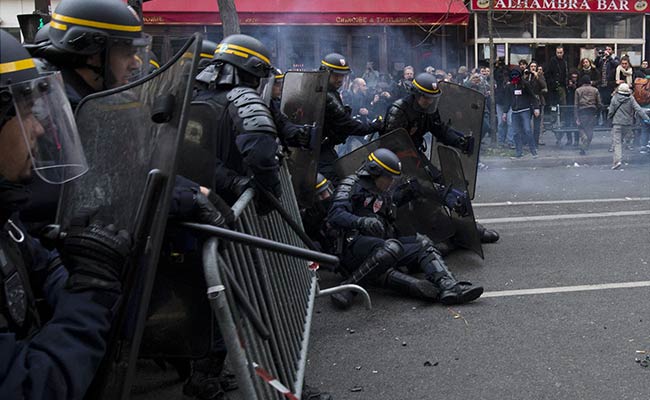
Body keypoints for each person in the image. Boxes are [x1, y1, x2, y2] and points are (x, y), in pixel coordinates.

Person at [0, 29, 132, 399]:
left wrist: (83, 269)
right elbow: (31, 389)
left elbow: (44, 267)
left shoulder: (6, 219)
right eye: (26, 113)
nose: (40, 129)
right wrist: (90, 293)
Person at [326, 148, 484, 310]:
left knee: (423, 243)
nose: (391, 182)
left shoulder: (383, 192)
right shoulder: (351, 185)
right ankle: (348, 288)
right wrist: (361, 221)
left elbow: (392, 211)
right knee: (392, 247)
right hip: (353, 246)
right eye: (389, 178)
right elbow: (335, 215)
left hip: (382, 244)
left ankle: (449, 286)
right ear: (375, 172)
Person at [194, 34, 281, 203]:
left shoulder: (195, 98)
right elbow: (261, 155)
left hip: (196, 198)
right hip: (229, 202)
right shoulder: (243, 100)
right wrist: (269, 192)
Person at [318, 52, 382, 180]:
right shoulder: (327, 95)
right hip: (319, 150)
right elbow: (346, 124)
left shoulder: (323, 90)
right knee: (334, 181)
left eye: (342, 75)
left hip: (321, 147)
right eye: (336, 75)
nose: (340, 79)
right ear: (326, 73)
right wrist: (373, 126)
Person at [607, 83, 650, 169]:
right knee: (622, 140)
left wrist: (609, 119)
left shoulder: (615, 98)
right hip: (627, 124)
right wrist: (647, 119)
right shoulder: (631, 99)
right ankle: (622, 154)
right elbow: (638, 109)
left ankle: (617, 161)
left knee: (617, 143)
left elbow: (611, 111)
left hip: (617, 123)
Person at [502, 68, 540, 159]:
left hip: (525, 110)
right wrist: (505, 112)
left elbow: (532, 96)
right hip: (515, 111)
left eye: (516, 76)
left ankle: (533, 151)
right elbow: (507, 100)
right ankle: (519, 152)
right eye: (513, 76)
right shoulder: (509, 86)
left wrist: (536, 108)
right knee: (515, 132)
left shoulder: (525, 85)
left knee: (527, 130)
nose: (515, 78)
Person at [574, 75, 602, 156]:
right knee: (590, 130)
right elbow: (599, 103)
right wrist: (598, 113)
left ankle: (583, 139)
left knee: (581, 128)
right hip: (592, 112)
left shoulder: (578, 90)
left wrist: (576, 117)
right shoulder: (595, 90)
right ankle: (585, 145)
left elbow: (576, 104)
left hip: (582, 111)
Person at [545, 46, 569, 126]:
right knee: (553, 104)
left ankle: (563, 119)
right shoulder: (552, 61)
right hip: (553, 87)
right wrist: (552, 82)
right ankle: (553, 118)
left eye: (560, 52)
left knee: (563, 103)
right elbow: (548, 73)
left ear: (563, 52)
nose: (559, 54)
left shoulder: (565, 61)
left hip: (562, 85)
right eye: (558, 52)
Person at [525, 61, 547, 146]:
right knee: (527, 122)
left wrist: (537, 76)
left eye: (534, 66)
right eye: (531, 66)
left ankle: (536, 142)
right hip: (528, 101)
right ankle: (527, 140)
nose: (533, 68)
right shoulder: (527, 76)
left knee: (537, 124)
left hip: (537, 101)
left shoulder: (539, 76)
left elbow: (544, 86)